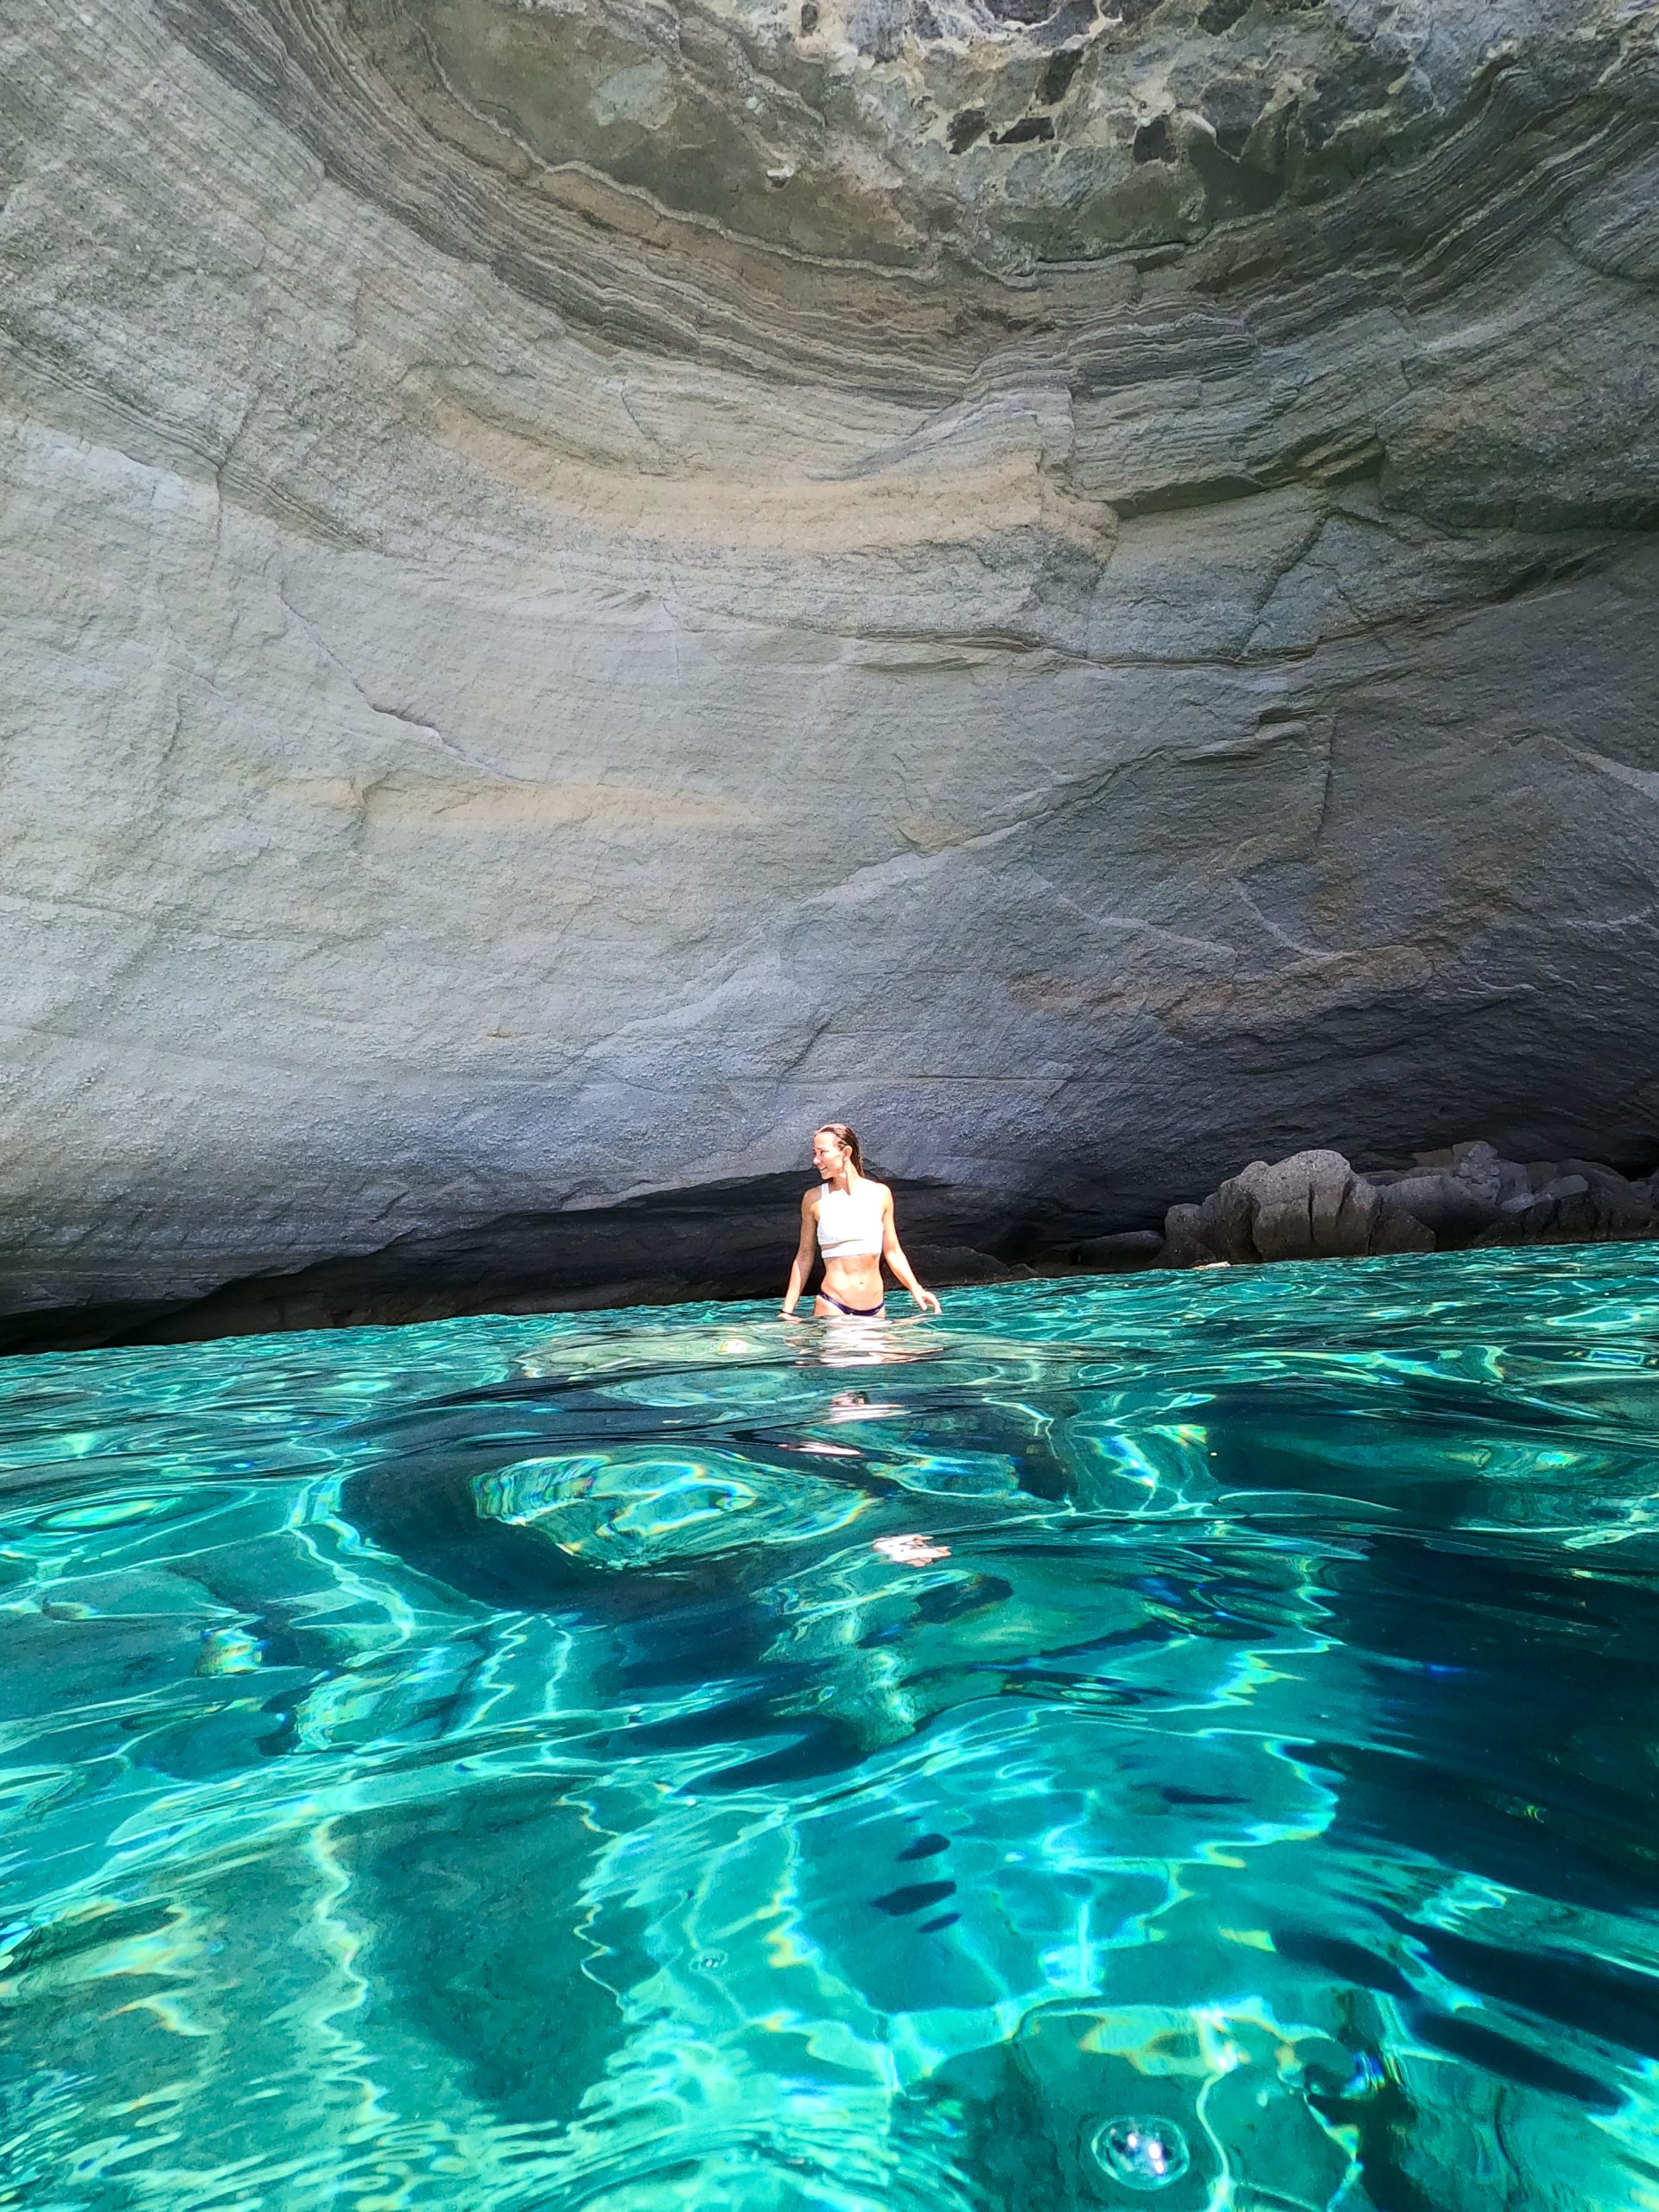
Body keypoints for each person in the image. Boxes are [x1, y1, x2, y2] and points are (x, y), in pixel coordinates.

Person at [779, 1122, 943, 1320]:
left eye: (822, 1152)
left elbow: (892, 1251)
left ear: (846, 1152)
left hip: (875, 1310)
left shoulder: (880, 1194)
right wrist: (787, 1311)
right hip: (834, 1307)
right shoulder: (813, 1199)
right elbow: (804, 1256)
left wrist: (916, 1289)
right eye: (814, 1153)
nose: (816, 1160)